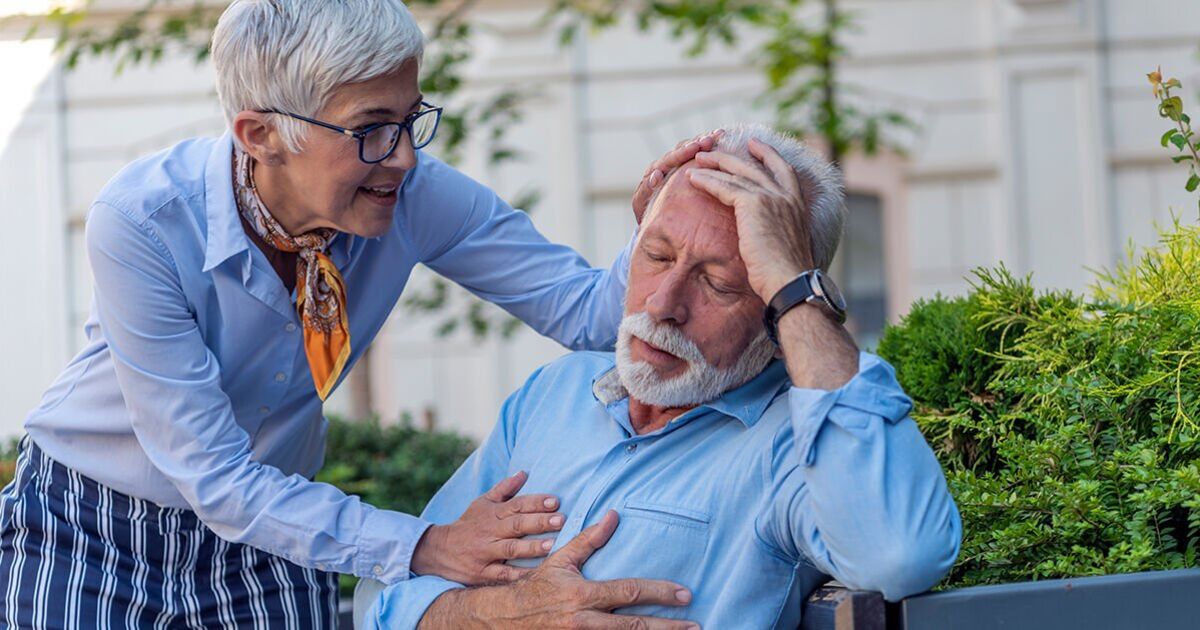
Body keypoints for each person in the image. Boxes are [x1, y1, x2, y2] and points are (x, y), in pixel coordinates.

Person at [0, 0, 717, 626]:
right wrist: (422, 544)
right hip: (88, 525)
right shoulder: (144, 222)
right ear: (259, 134)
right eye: (372, 127)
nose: (404, 158)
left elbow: (591, 315)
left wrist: (658, 229)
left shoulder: (413, 193)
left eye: (411, 120)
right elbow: (215, 477)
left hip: (275, 526)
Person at [356, 124, 962, 629]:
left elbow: (897, 556)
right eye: (657, 255)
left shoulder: (789, 447)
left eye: (719, 282)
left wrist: (795, 287)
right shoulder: (555, 393)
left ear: (778, 313)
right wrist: (505, 614)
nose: (662, 303)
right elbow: (386, 600)